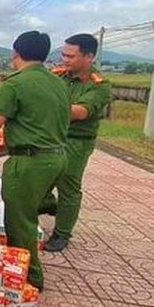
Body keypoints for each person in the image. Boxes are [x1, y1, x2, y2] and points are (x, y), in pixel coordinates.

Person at [0, 31, 69, 290]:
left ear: (16, 53)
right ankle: (46, 201)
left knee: (19, 222)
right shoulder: (58, 82)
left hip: (29, 162)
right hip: (58, 158)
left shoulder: (14, 84)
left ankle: (30, 277)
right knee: (31, 202)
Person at [40, 34, 112, 252]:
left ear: (89, 56)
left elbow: (80, 112)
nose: (65, 60)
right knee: (39, 180)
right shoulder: (57, 76)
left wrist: (44, 105)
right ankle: (50, 204)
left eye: (70, 56)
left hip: (76, 141)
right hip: (50, 137)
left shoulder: (98, 85)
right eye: (63, 54)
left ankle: (62, 233)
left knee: (68, 185)